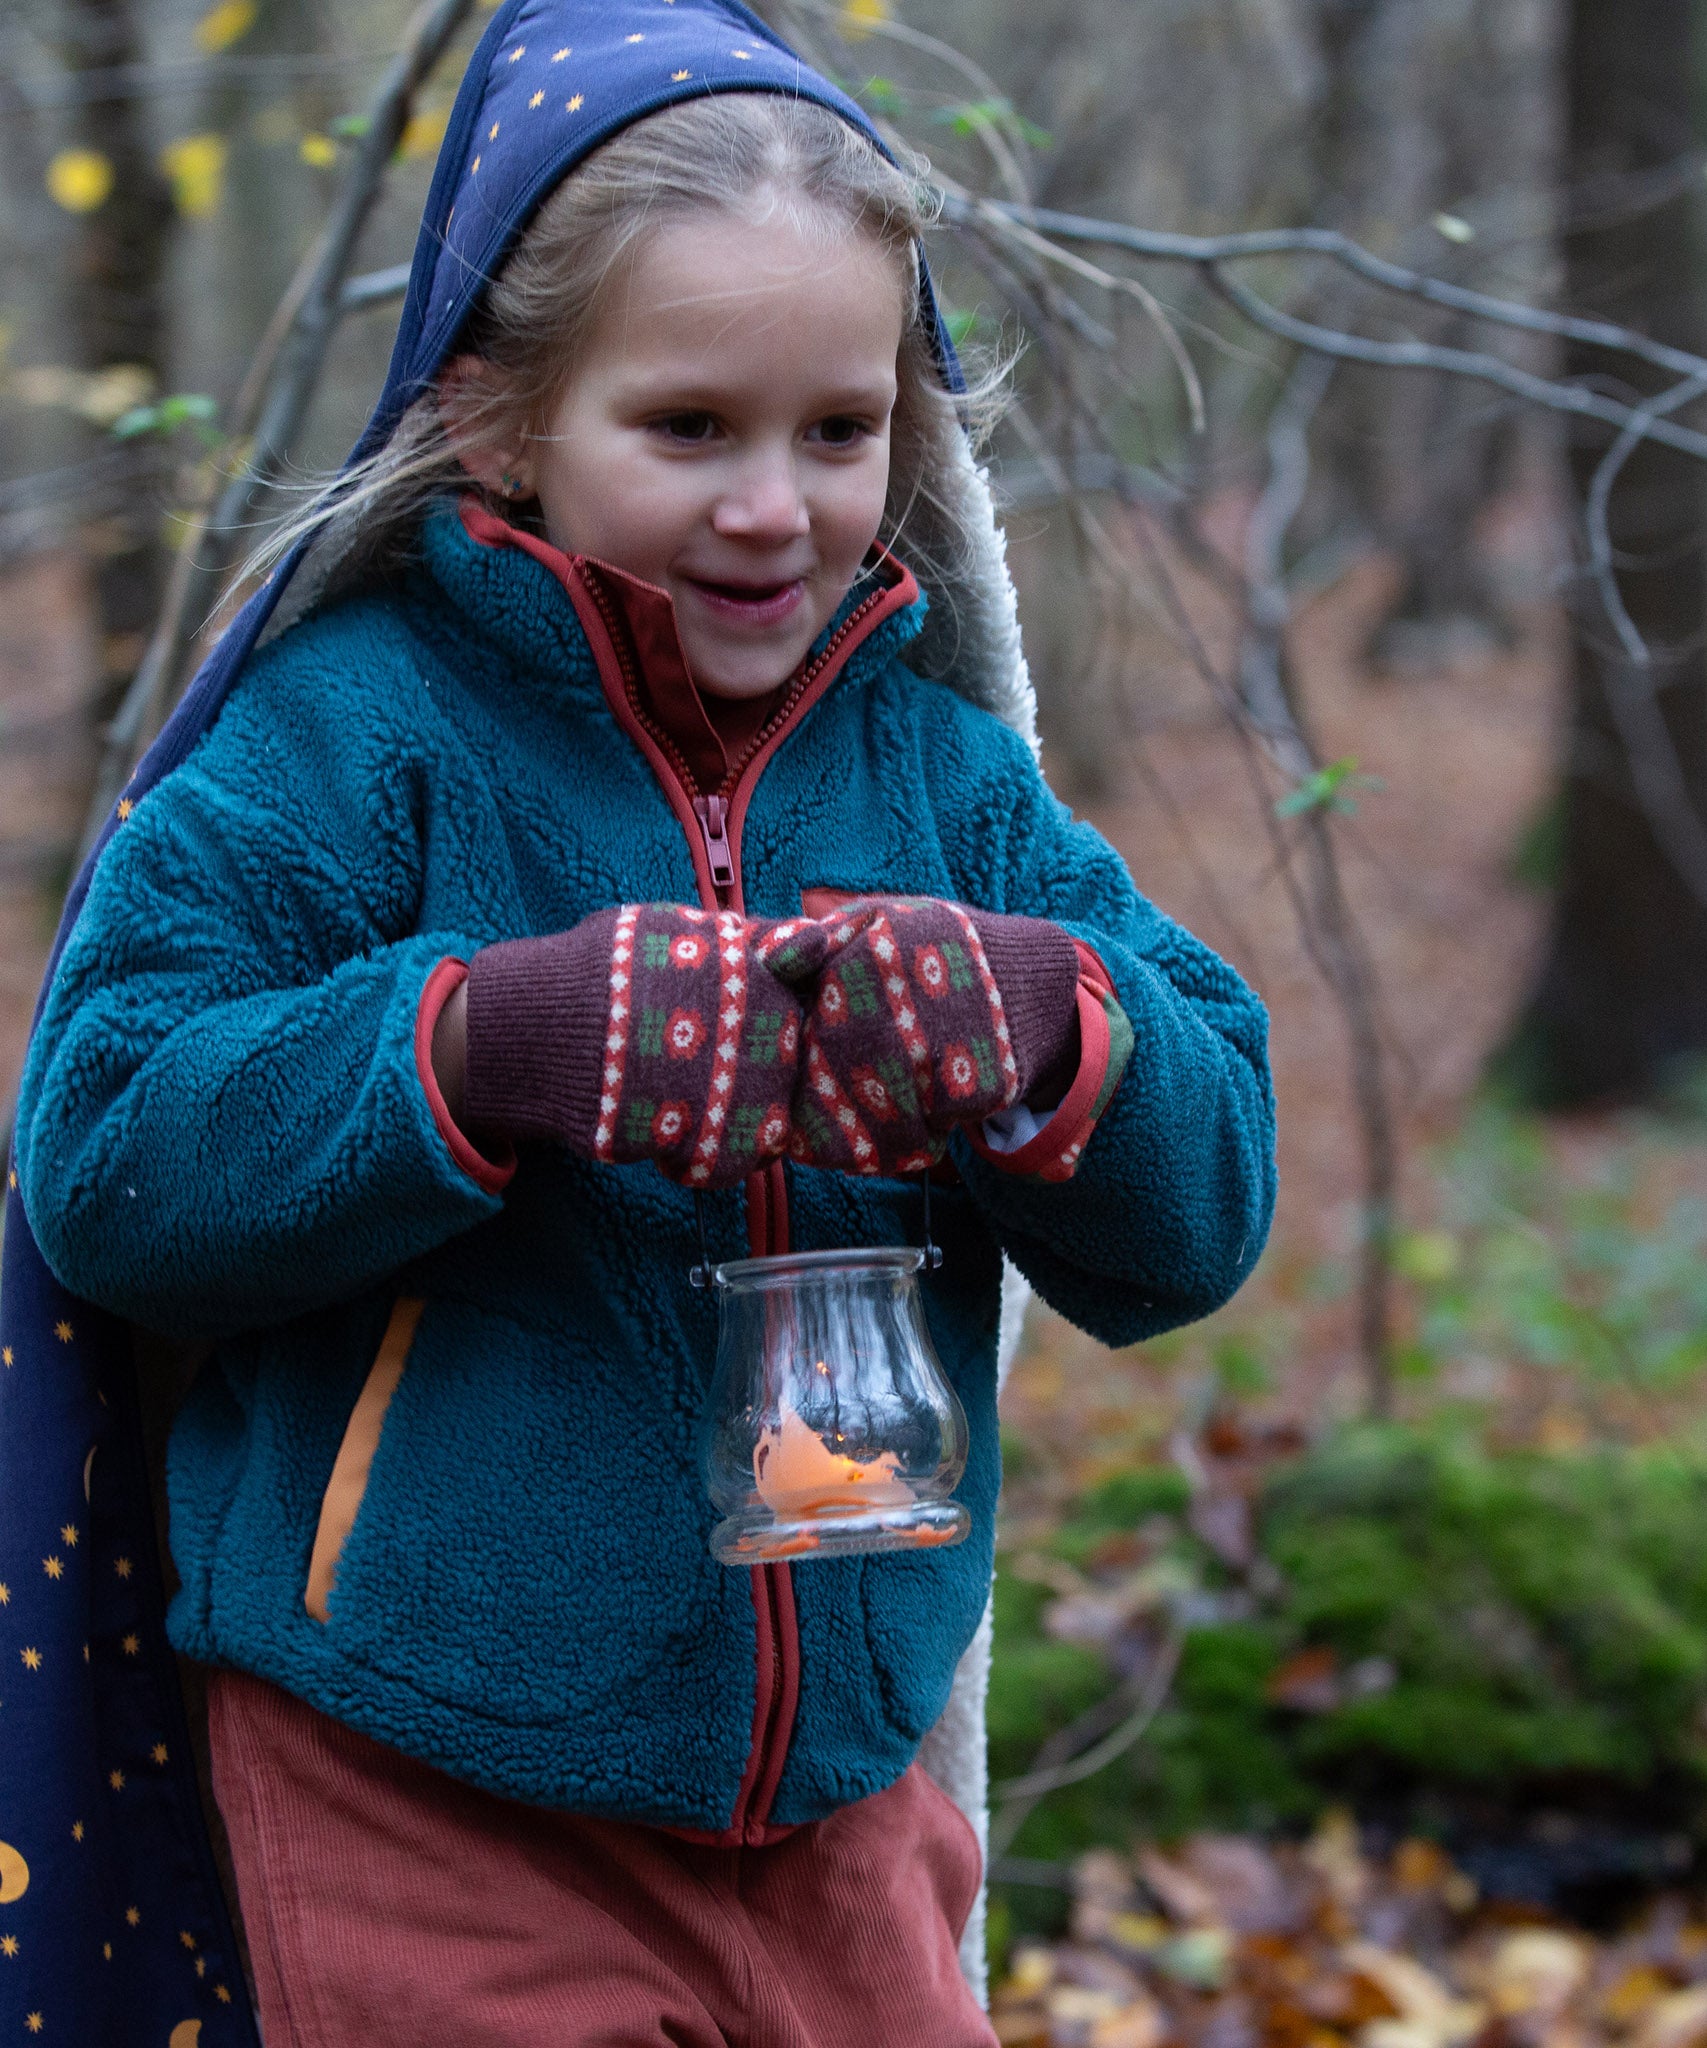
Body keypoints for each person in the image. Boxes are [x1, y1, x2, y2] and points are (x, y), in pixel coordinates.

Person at [9, 2, 1276, 2041]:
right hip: (426, 1786)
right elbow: (107, 1148)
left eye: (838, 431)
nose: (775, 505)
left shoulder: (946, 784)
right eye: (689, 427)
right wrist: (484, 1044)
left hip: (842, 1810)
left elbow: (1203, 1210)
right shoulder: (357, 739)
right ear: (499, 414)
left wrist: (1056, 1033)